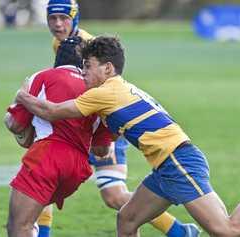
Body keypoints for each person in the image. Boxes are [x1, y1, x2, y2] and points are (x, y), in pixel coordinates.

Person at [15, 35, 240, 237]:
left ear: (108, 68)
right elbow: (107, 143)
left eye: (88, 66)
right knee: (127, 220)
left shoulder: (103, 92)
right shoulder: (121, 88)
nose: (83, 72)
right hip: (166, 166)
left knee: (227, 230)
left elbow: (52, 111)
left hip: (177, 161)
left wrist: (23, 95)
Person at [41, 0, 201, 236]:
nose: (57, 24)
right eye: (52, 18)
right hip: (86, 123)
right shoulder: (59, 43)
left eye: (63, 18)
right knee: (47, 180)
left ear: (75, 18)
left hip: (103, 125)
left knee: (112, 195)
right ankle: (179, 231)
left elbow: (95, 90)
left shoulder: (85, 45)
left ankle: (178, 231)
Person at [4, 37, 113, 237]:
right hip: (77, 168)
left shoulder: (44, 76)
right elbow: (101, 150)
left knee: (19, 225)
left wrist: (19, 98)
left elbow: (16, 124)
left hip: (47, 156)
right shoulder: (100, 90)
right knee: (30, 219)